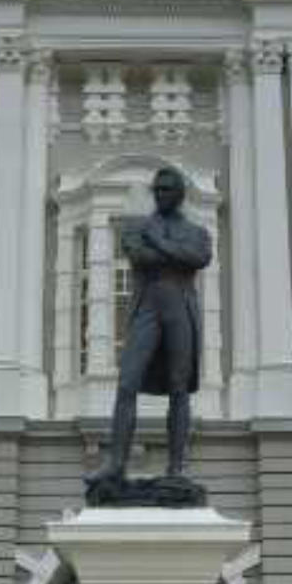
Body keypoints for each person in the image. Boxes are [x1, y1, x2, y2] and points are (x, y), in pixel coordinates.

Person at [93, 165, 213, 499]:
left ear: (179, 194)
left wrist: (159, 243)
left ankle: (176, 468)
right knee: (127, 382)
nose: (159, 195)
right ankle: (116, 463)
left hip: (180, 308)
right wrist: (173, 254)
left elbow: (199, 257)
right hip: (148, 306)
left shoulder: (196, 231)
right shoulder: (137, 226)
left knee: (179, 388)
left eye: (166, 190)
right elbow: (138, 255)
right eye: (156, 189)